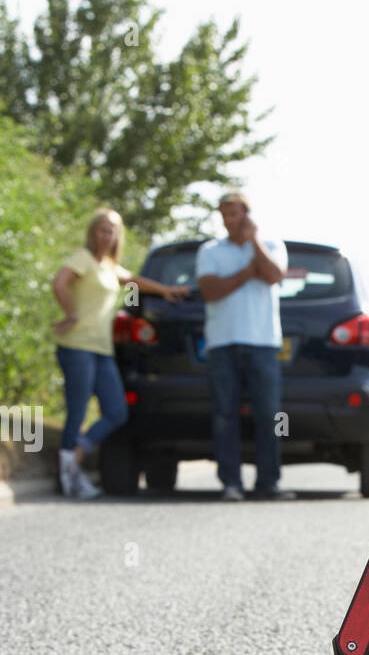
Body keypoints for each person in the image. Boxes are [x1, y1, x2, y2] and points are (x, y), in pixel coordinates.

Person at [52, 209, 188, 499]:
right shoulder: (83, 259)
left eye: (112, 230)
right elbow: (59, 282)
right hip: (77, 346)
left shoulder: (110, 266)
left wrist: (165, 290)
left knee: (116, 411)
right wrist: (70, 313)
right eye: (102, 229)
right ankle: (68, 474)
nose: (107, 235)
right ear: (93, 232)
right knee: (76, 411)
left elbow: (135, 281)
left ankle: (75, 456)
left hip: (102, 350)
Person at [195, 192, 289, 500]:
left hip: (263, 342)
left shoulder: (272, 245)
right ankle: (231, 483)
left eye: (234, 214)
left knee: (270, 413)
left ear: (247, 215)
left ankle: (268, 482)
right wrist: (248, 273)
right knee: (225, 413)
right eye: (224, 214)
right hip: (222, 342)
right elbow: (210, 291)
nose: (228, 220)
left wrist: (255, 243)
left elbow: (274, 275)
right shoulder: (210, 250)